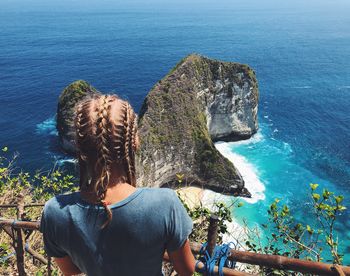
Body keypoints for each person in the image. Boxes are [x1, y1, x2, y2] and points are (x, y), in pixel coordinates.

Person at [40, 95, 196, 276]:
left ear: (79, 146)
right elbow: (186, 270)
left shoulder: (54, 212)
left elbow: (71, 270)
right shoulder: (165, 204)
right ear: (134, 142)